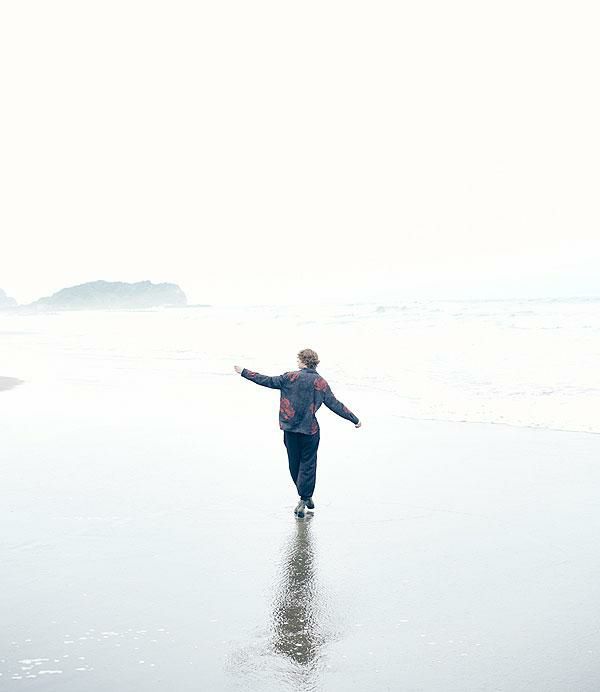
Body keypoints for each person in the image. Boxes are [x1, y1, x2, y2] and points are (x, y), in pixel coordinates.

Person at [234, 348, 361, 518]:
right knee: (308, 465)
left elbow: (266, 380)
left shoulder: (289, 377)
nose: (297, 362)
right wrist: (354, 419)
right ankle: (305, 497)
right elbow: (335, 404)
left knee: (294, 465)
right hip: (310, 430)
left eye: (298, 359)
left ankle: (304, 498)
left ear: (303, 361)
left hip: (291, 429)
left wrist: (243, 372)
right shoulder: (320, 382)